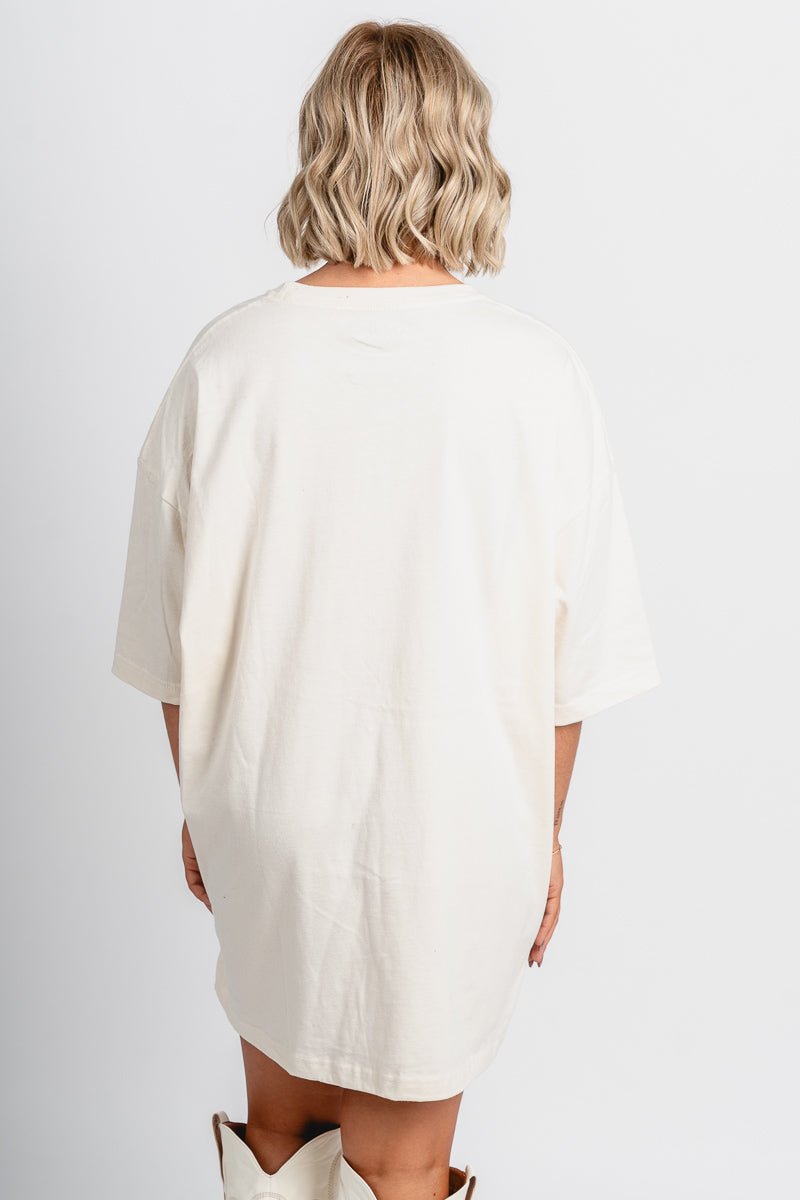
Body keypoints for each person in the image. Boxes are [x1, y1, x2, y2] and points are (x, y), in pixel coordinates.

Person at [110, 18, 660, 1200]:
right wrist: (542, 835)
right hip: (456, 828)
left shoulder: (225, 364)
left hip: (267, 811)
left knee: (279, 1142)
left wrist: (206, 808)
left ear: (323, 147)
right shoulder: (535, 376)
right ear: (464, 153)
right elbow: (569, 664)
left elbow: (169, 644)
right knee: (403, 1165)